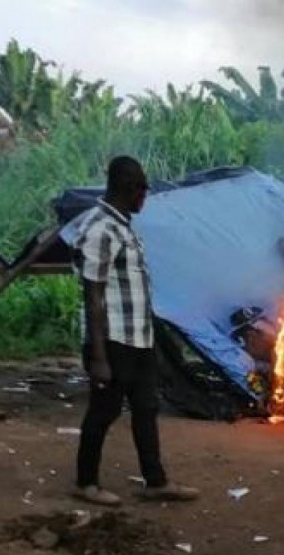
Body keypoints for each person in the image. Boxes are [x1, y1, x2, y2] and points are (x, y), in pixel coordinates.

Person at [68, 156, 199, 505]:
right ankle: (85, 482)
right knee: (104, 410)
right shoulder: (100, 230)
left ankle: (156, 481)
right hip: (112, 340)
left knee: (146, 407)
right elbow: (93, 295)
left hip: (138, 338)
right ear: (129, 189)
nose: (146, 195)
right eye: (143, 188)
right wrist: (98, 356)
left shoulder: (123, 226)